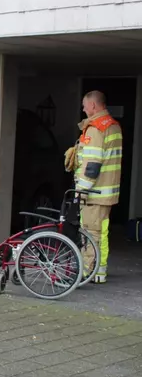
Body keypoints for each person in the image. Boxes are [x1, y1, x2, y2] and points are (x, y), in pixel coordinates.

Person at [68, 90, 123, 284]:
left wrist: (79, 190)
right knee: (101, 231)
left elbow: (92, 166)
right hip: (107, 191)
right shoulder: (113, 126)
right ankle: (99, 271)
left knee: (90, 232)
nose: (83, 109)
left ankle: (85, 271)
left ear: (93, 105)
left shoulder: (96, 128)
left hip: (94, 192)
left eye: (84, 106)